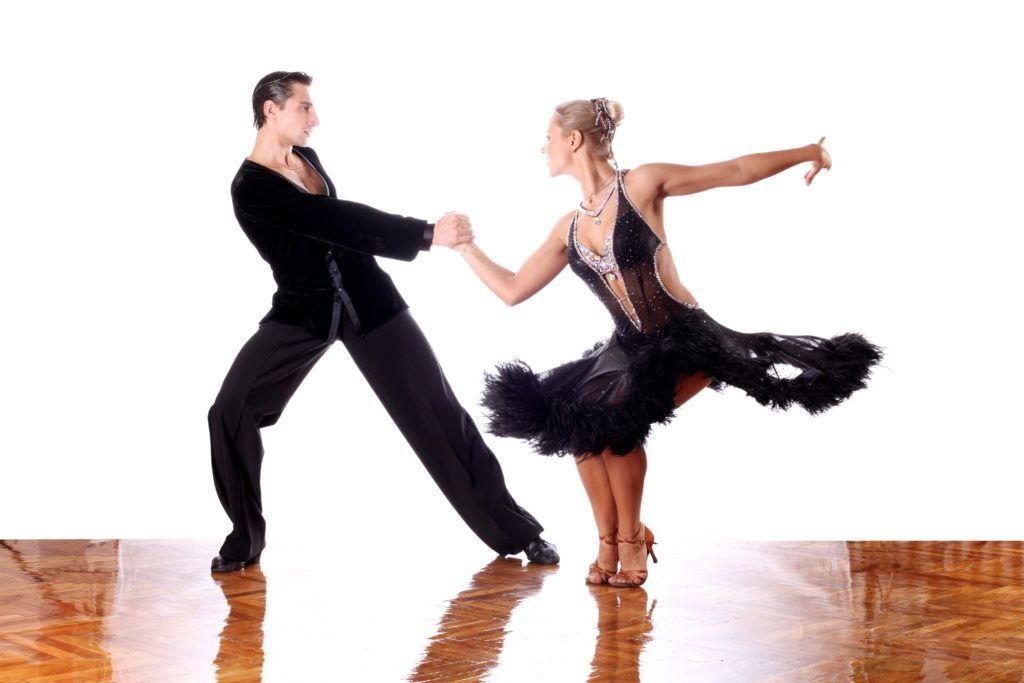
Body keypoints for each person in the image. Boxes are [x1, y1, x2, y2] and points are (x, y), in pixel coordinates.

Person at [452, 98, 883, 587]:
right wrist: (465, 247)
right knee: (580, 428)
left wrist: (808, 151)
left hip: (685, 337)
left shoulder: (641, 184)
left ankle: (632, 539)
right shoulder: (567, 228)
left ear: (573, 140)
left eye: (548, 138)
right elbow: (513, 289)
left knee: (618, 429)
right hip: (626, 347)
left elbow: (734, 170)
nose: (542, 148)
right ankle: (608, 542)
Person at [207, 71, 559, 572]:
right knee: (231, 410)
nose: (315, 118)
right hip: (304, 311)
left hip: (370, 302)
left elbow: (341, 228)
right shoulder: (250, 188)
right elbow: (336, 220)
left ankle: (520, 534)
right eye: (305, 107)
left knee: (440, 412)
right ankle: (245, 539)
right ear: (271, 109)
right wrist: (426, 234)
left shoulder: (307, 160)